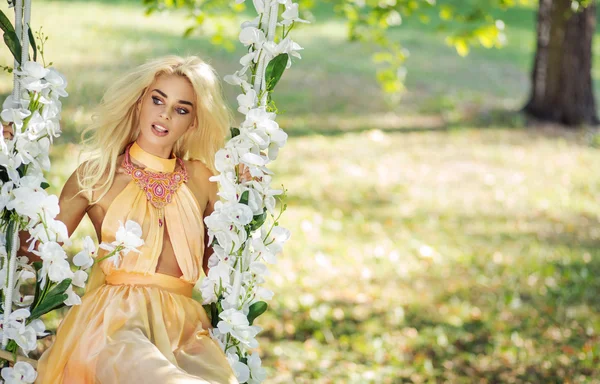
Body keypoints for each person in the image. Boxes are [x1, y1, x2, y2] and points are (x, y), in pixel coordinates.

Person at [4, 56, 247, 383]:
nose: (164, 113)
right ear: (139, 104)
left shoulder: (203, 178)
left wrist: (242, 199)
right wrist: (10, 161)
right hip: (116, 324)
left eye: (181, 108)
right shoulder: (97, 175)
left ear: (193, 123)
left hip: (187, 329)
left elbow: (216, 263)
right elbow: (33, 249)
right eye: (158, 100)